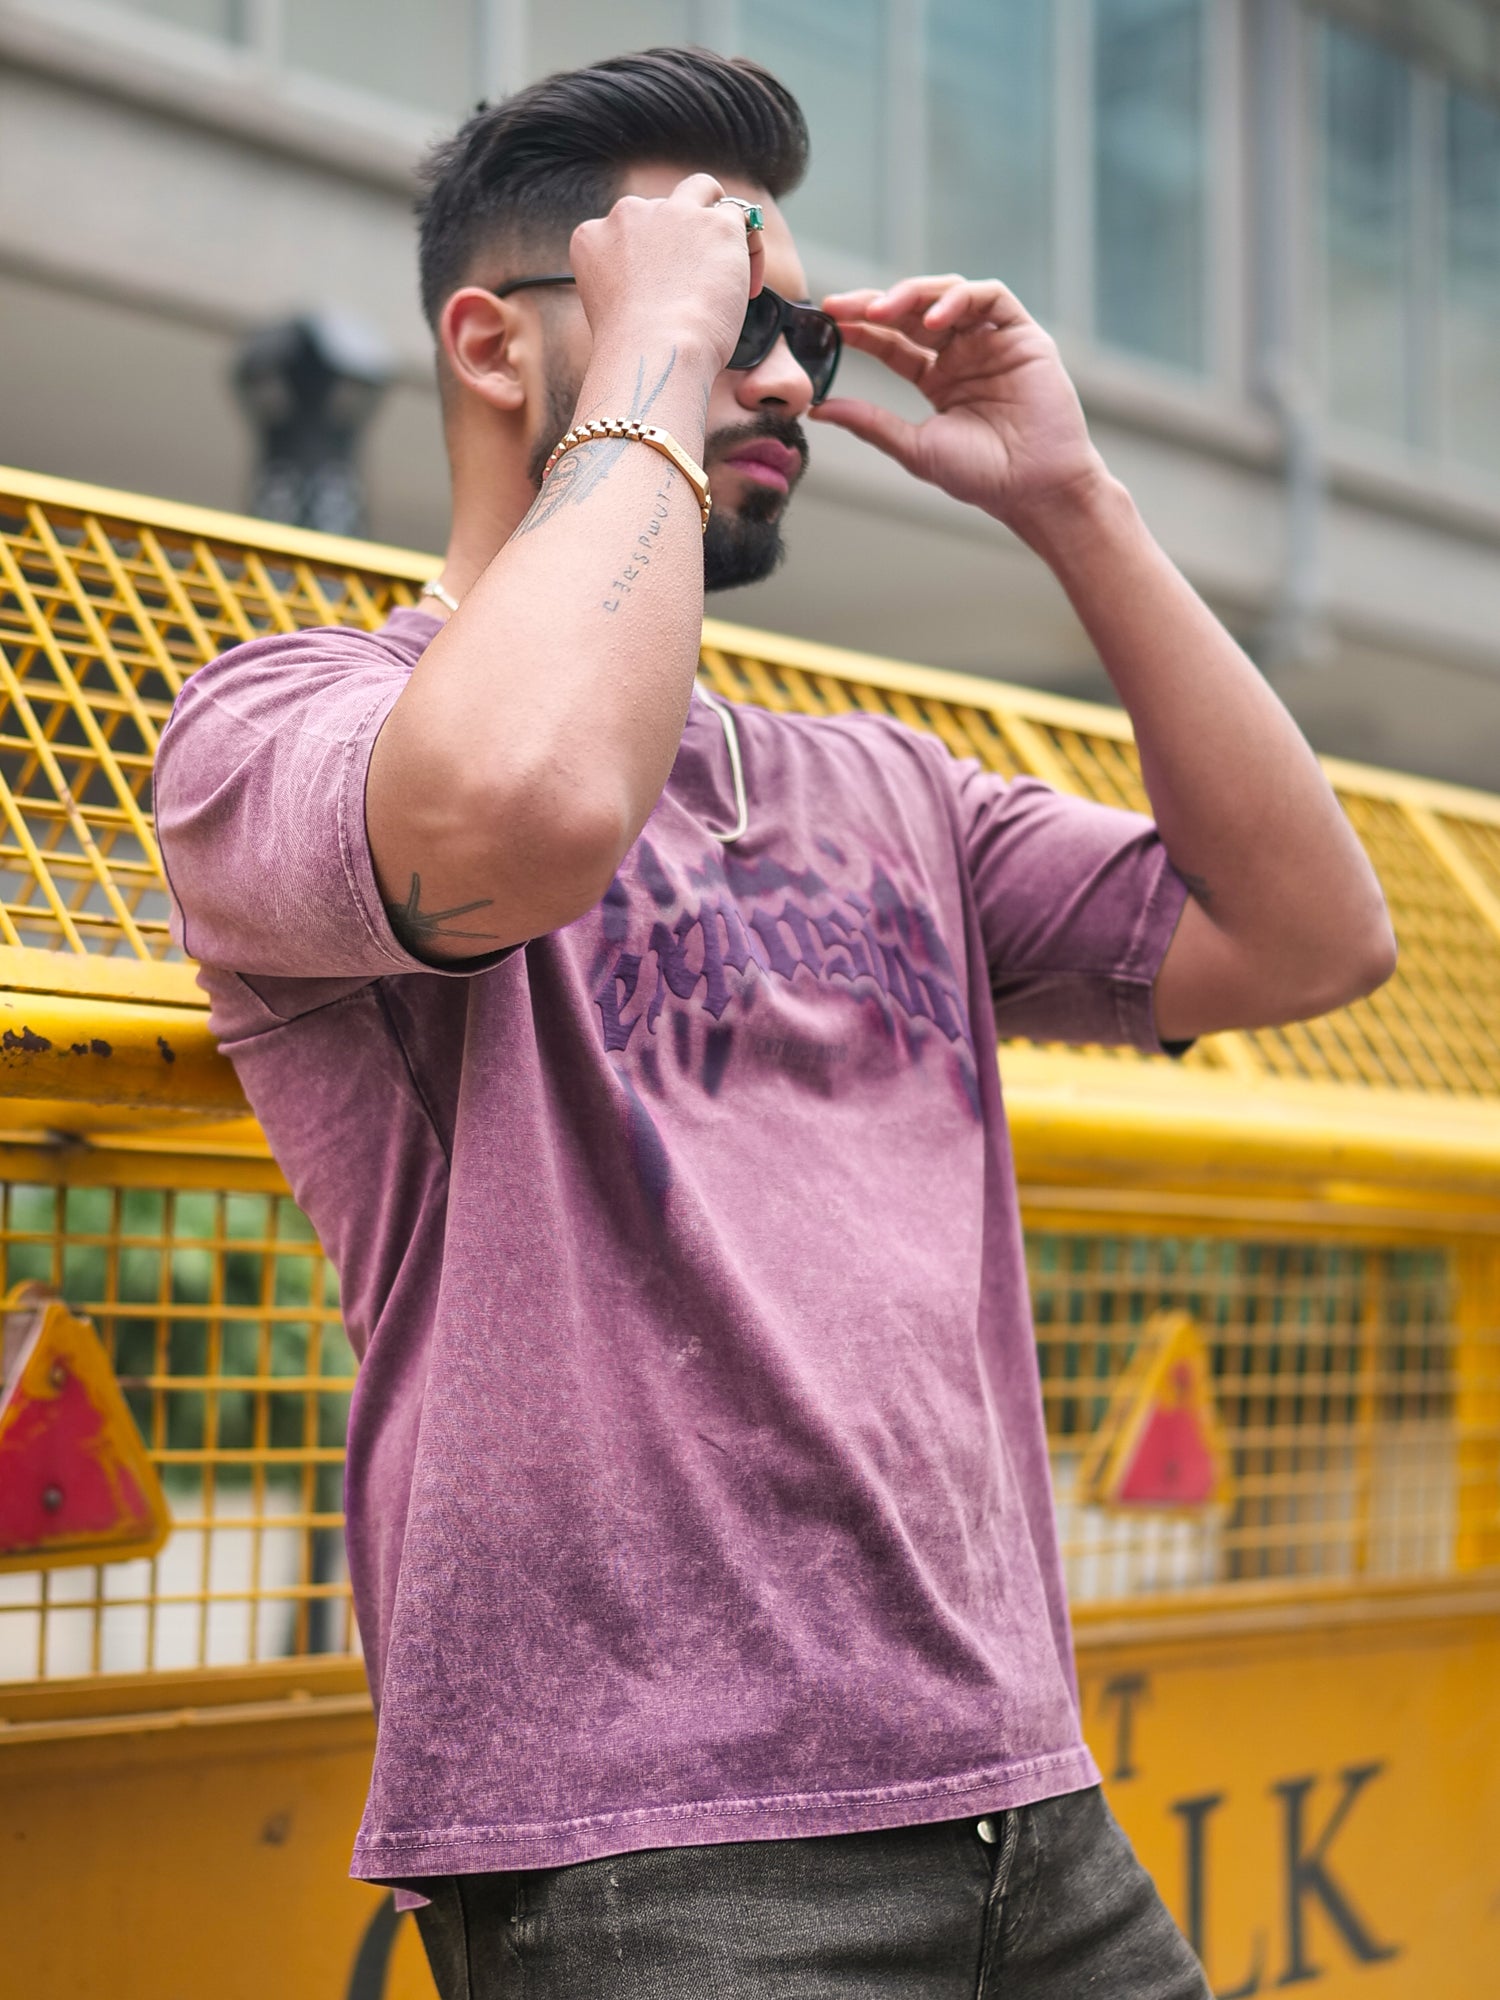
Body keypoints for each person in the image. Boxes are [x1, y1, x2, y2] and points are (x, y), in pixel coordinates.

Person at [154, 46, 1396, 2000]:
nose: (796, 380)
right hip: (652, 1851)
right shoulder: (282, 727)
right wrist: (651, 363)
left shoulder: (893, 790)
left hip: (1029, 1802)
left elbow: (1315, 938)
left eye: (799, 327)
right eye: (740, 313)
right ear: (495, 346)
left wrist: (1074, 500)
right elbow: (528, 812)